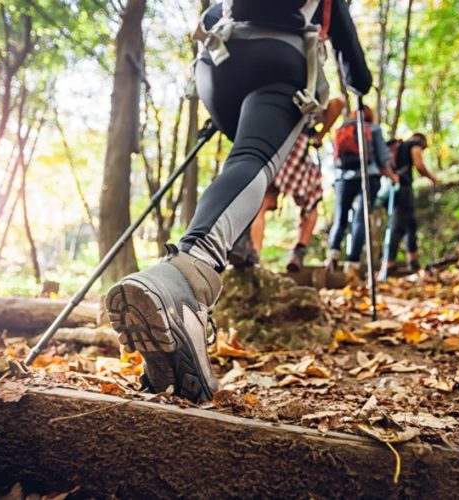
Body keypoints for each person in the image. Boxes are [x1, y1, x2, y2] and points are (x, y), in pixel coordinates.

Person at [105, 0, 372, 403]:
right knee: (254, 160)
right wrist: (360, 85)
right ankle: (188, 278)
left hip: (215, 64)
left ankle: (230, 259)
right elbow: (351, 59)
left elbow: (214, 13)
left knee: (242, 159)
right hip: (276, 60)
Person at [231, 97, 345, 272]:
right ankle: (298, 252)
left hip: (271, 146)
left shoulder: (271, 97)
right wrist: (320, 136)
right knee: (311, 203)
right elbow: (339, 103)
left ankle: (253, 254)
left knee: (260, 204)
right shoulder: (308, 93)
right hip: (297, 149)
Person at [326, 106, 398, 277]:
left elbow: (335, 159)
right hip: (368, 176)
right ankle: (352, 263)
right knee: (361, 218)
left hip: (343, 178)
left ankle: (332, 255)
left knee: (340, 218)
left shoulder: (343, 129)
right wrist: (392, 176)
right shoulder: (373, 129)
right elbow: (382, 158)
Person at [380, 132, 438, 277]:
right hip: (402, 189)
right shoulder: (413, 144)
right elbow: (419, 164)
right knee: (397, 226)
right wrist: (432, 178)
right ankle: (389, 265)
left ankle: (412, 262)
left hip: (393, 189)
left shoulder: (398, 147)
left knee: (410, 224)